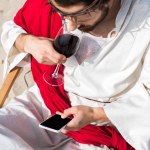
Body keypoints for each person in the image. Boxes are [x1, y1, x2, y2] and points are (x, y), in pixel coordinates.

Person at [1, 0, 150, 149]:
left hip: (111, 122)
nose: (70, 26)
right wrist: (28, 42)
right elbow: (12, 29)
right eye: (61, 13)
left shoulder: (144, 20)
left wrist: (96, 114)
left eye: (81, 14)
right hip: (49, 100)